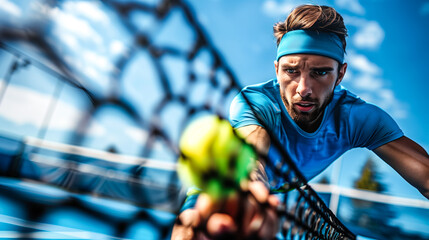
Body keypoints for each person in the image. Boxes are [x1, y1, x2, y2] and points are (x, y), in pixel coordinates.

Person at [171, 4, 429, 240]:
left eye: (320, 72)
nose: (303, 88)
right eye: (291, 71)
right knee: (193, 228)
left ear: (340, 74)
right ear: (276, 70)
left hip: (279, 209)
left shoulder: (358, 119)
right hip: (223, 190)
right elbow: (251, 156)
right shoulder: (256, 103)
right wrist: (249, 192)